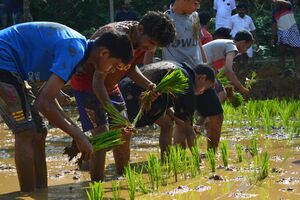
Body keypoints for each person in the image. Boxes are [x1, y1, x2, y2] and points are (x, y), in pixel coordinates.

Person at [0, 22, 133, 192]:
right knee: (25, 132)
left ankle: (41, 192)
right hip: (4, 61)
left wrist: (77, 132)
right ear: (104, 53)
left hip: (14, 68)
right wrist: (79, 136)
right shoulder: (75, 49)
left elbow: (45, 95)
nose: (112, 70)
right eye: (114, 65)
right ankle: (27, 194)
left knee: (40, 132)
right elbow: (43, 102)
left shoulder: (78, 53)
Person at [70, 11, 175, 181]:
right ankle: (96, 184)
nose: (152, 49)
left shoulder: (141, 40)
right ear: (140, 29)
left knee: (124, 132)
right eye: (151, 43)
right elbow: (97, 82)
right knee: (102, 135)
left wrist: (148, 84)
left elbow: (131, 68)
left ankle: (122, 176)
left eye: (156, 46)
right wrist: (112, 112)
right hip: (87, 83)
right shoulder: (116, 37)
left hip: (111, 85)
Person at [120, 61, 217, 158]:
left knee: (167, 123)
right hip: (132, 96)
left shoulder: (181, 67)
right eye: (205, 88)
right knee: (123, 133)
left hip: (124, 85)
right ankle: (122, 169)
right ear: (202, 78)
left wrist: (187, 123)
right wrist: (197, 158)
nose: (202, 92)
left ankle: (166, 158)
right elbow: (188, 130)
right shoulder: (187, 84)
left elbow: (165, 106)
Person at [163, 0, 224, 152]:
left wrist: (206, 67)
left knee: (217, 116)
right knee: (183, 123)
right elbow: (151, 50)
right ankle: (180, 162)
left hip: (199, 75)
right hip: (178, 77)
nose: (197, 7)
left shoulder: (195, 16)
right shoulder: (165, 20)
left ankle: (212, 156)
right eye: (195, 3)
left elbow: (198, 43)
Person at [203, 30, 253, 102]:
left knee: (216, 91)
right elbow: (228, 71)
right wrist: (242, 89)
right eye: (247, 47)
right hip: (199, 66)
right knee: (221, 93)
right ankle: (211, 112)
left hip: (198, 65)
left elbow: (217, 71)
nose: (245, 51)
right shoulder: (232, 47)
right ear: (242, 42)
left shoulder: (227, 45)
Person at [271, 0, 300, 79]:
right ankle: (283, 73)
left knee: (296, 53)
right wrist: (272, 38)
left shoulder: (288, 6)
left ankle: (298, 73)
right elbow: (274, 25)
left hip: (292, 31)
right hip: (281, 32)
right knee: (281, 54)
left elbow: (287, 3)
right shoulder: (274, 12)